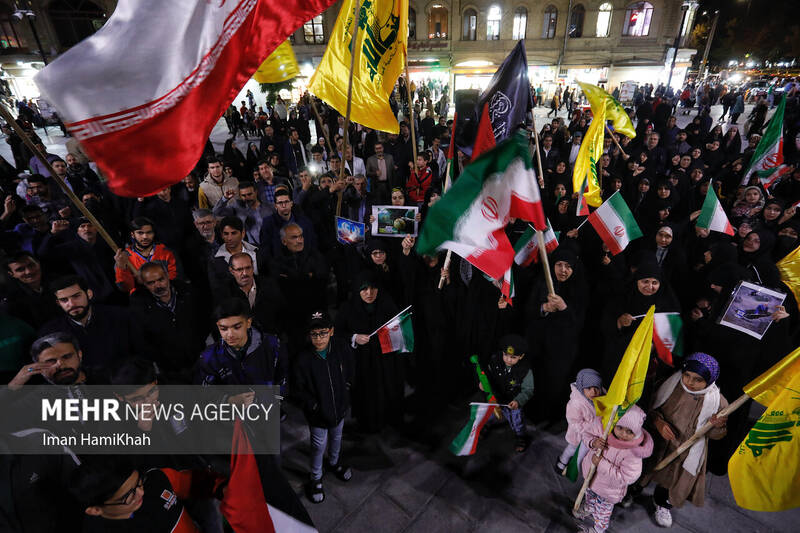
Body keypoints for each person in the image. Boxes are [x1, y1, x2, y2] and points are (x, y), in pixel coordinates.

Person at [638, 353, 728, 528]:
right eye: (687, 375)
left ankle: (662, 503)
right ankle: (632, 491)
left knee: (670, 481)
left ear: (709, 380)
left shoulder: (718, 403)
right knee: (643, 470)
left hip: (683, 452)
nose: (689, 382)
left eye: (698, 379)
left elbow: (717, 436)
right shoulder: (670, 385)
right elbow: (647, 407)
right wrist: (658, 422)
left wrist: (717, 426)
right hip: (656, 442)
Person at [293, 311, 354, 504]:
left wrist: (347, 387)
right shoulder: (303, 359)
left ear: (331, 331)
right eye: (314, 334)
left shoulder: (341, 348)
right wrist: (313, 405)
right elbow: (297, 389)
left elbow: (351, 367)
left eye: (323, 333)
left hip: (339, 407)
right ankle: (315, 477)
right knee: (318, 445)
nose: (319, 338)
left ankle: (334, 462)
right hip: (318, 414)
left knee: (337, 437)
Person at [574, 405, 654, 533]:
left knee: (602, 512)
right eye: (620, 427)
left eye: (629, 431)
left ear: (636, 433)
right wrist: (593, 442)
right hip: (591, 478)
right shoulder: (604, 431)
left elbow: (626, 477)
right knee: (589, 496)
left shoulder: (633, 453)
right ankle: (589, 507)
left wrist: (601, 463)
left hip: (608, 491)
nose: (623, 434)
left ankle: (598, 529)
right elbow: (586, 434)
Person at [40, 275, 139, 369]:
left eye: (76, 296)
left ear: (89, 294)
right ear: (58, 303)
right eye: (64, 300)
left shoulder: (121, 316)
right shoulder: (50, 333)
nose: (71, 304)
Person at [482, 334, 534, 453]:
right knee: (489, 413)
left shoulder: (526, 370)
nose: (508, 359)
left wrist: (518, 401)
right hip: (495, 397)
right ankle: (486, 425)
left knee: (517, 421)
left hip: (512, 401)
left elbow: (528, 389)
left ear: (521, 356)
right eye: (505, 355)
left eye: (513, 357)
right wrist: (483, 384)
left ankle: (520, 437)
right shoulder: (495, 360)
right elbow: (487, 375)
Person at [556, 368, 603, 474]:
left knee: (585, 453)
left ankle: (579, 465)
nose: (593, 392)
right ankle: (563, 460)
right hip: (578, 434)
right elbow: (574, 423)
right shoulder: (575, 403)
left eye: (596, 388)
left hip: (593, 435)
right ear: (582, 388)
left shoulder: (601, 396)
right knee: (572, 449)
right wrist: (592, 426)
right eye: (589, 388)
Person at [114, 216, 178, 293]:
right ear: (132, 235)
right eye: (140, 233)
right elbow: (125, 288)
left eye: (149, 232)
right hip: (140, 298)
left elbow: (175, 280)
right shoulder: (124, 257)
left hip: (166, 295)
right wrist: (122, 269)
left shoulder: (166, 252)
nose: (145, 237)